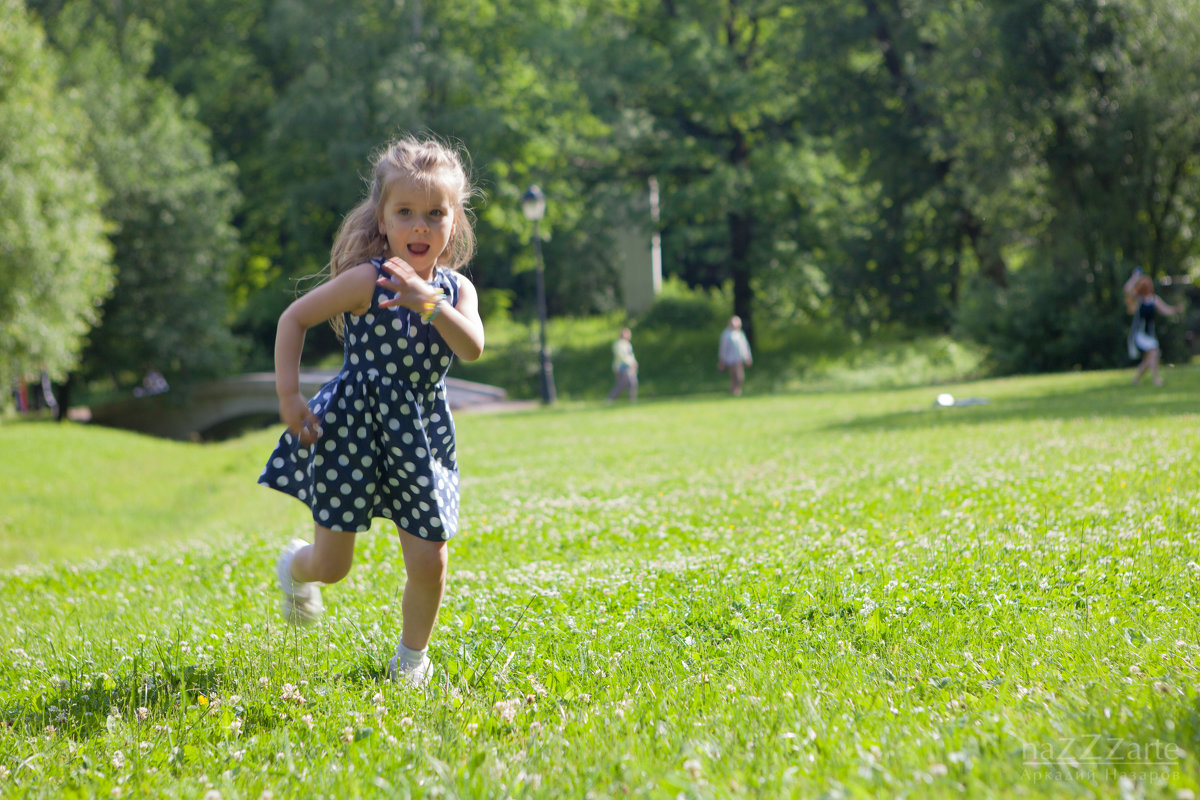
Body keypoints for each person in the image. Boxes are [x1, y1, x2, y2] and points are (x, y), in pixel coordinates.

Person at [258, 135, 485, 688]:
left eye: (436, 214)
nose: (420, 227)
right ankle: (296, 566)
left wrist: (427, 303)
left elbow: (472, 346)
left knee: (430, 558)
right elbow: (293, 320)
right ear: (382, 220)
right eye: (405, 212)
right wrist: (290, 397)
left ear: (454, 223)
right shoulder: (366, 281)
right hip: (352, 430)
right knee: (334, 565)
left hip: (420, 435)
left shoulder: (456, 292)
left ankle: (411, 663)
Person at [1123, 268, 1182, 386]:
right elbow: (1127, 289)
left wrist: (1175, 309)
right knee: (1154, 352)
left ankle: (1136, 380)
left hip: (1149, 334)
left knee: (1149, 359)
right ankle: (1156, 379)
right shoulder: (1139, 300)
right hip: (1139, 334)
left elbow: (1165, 310)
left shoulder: (1154, 300)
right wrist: (1134, 277)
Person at [717, 315, 753, 396]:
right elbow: (723, 348)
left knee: (740, 376)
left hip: (739, 359)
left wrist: (748, 357)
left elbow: (745, 346)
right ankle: (735, 390)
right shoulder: (726, 334)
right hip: (730, 359)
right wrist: (722, 360)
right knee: (735, 375)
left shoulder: (740, 334)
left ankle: (736, 390)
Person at [606, 327, 638, 402]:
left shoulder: (627, 344)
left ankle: (632, 400)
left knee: (633, 383)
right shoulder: (619, 344)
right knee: (621, 384)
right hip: (621, 367)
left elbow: (631, 355)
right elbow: (621, 357)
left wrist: (634, 362)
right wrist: (631, 363)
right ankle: (609, 399)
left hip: (629, 367)